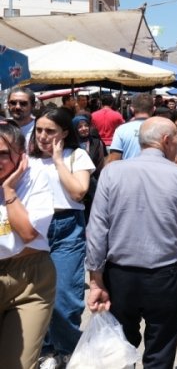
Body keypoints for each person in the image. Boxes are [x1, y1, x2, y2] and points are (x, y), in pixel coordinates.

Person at [85, 117, 177, 369]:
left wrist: (96, 278)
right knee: (161, 349)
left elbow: (97, 229)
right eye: (175, 139)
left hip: (120, 276)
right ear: (166, 140)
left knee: (119, 347)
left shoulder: (111, 172)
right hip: (165, 276)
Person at [28, 109, 95, 369]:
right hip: (33, 230)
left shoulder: (76, 156)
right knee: (35, 296)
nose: (43, 136)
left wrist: (57, 160)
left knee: (65, 298)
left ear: (65, 133)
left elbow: (79, 192)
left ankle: (68, 349)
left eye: (50, 131)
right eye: (39, 130)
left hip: (66, 228)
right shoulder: (27, 159)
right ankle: (45, 350)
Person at [0, 121, 56, 369]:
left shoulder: (35, 178)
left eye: (3, 153)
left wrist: (9, 189)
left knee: (16, 364)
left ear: (21, 157)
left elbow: (27, 232)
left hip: (29, 281)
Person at [71, 115, 106, 223]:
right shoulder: (71, 145)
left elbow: (101, 162)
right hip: (76, 183)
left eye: (86, 125)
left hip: (94, 182)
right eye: (80, 126)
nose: (84, 128)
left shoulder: (96, 142)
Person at [107, 93, 154, 163]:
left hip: (128, 172)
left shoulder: (122, 130)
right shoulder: (163, 129)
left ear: (132, 109)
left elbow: (113, 159)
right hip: (154, 172)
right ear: (153, 109)